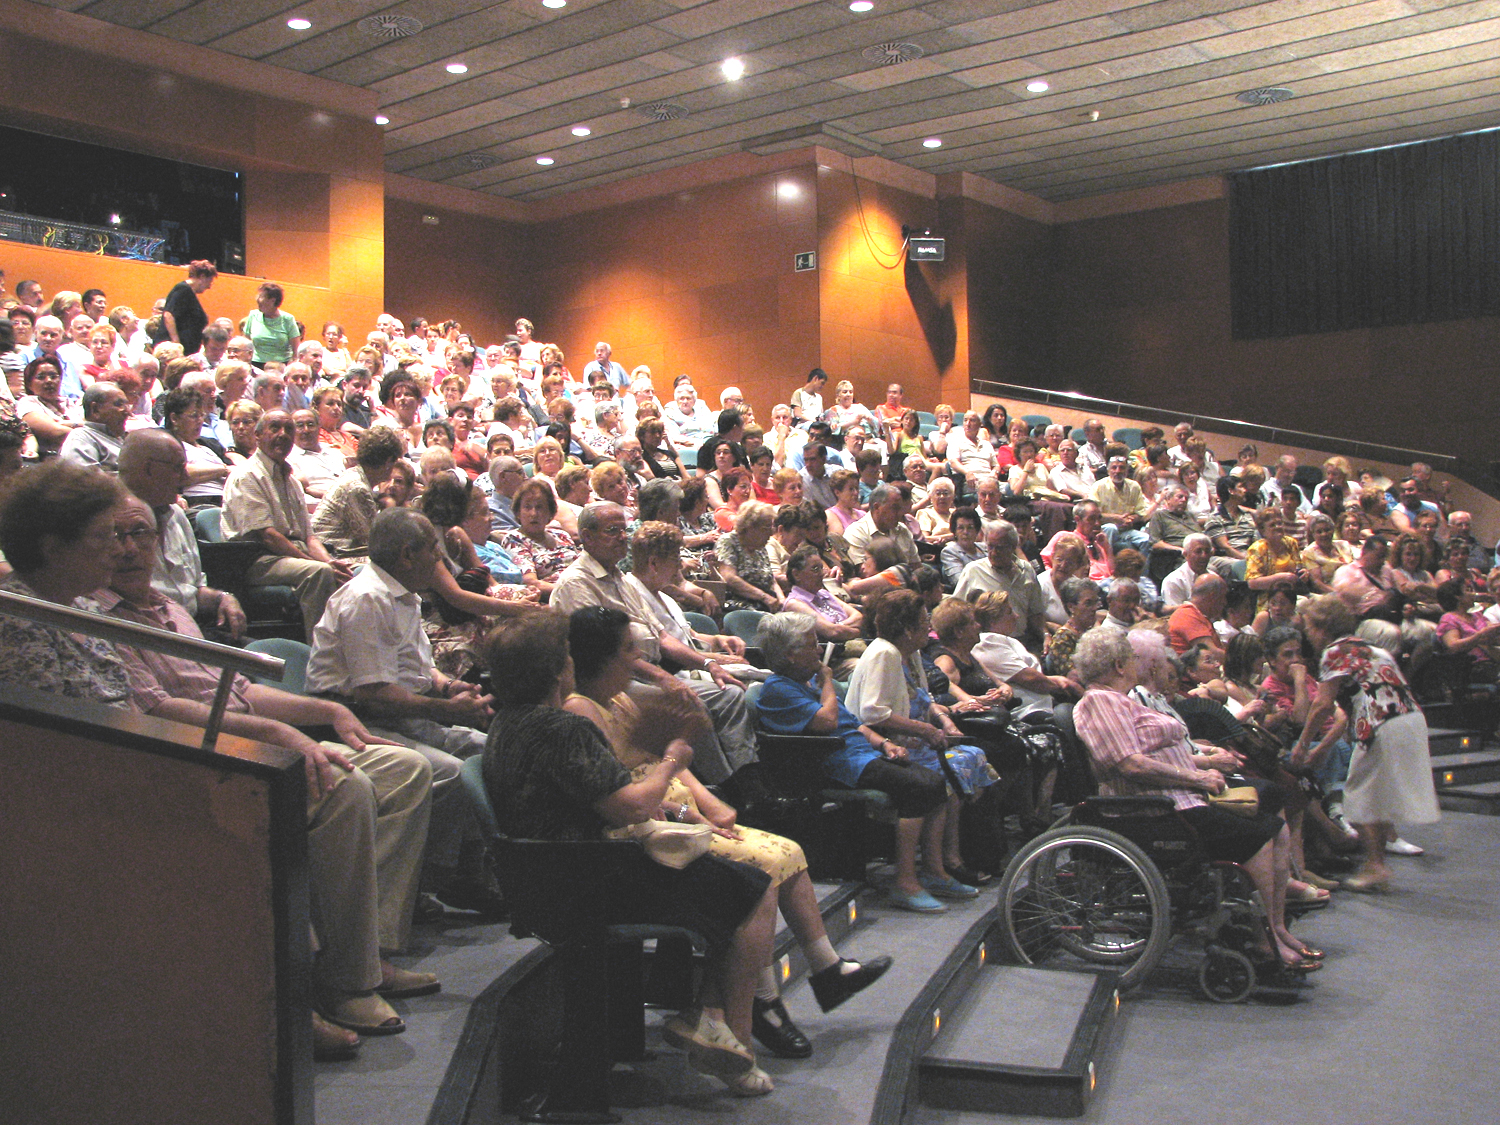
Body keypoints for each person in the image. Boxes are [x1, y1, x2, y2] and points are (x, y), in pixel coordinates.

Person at [0, 467, 435, 1054]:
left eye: (135, 536)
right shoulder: (28, 625)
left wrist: (301, 723)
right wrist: (276, 739)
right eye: (105, 537)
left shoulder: (74, 611)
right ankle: (299, 996)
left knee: (360, 772)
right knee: (332, 785)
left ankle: (340, 974)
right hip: (121, 794)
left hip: (149, 765)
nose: (121, 552)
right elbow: (81, 746)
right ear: (54, 548)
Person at [564, 607, 891, 1062]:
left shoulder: (621, 698)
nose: (638, 658)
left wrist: (707, 800)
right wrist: (686, 807)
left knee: (788, 849)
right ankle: (765, 1003)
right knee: (763, 866)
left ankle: (824, 967)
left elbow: (666, 756)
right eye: (629, 649)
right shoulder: (582, 710)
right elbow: (631, 792)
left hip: (677, 804)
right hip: (648, 828)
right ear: (602, 656)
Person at [480, 610, 777, 1096]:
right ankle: (722, 1029)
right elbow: (629, 807)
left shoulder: (507, 724)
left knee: (729, 879)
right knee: (754, 890)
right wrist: (675, 757)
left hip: (545, 877)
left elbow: (603, 798)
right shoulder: (562, 729)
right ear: (560, 670)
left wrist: (674, 808)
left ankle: (710, 1017)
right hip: (586, 880)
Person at [1070, 628, 1321, 970]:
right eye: (1130, 658)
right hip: (1152, 812)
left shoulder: (1121, 700)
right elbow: (1130, 763)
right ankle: (1264, 940)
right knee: (1259, 835)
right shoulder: (1100, 701)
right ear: (1118, 665)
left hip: (1177, 800)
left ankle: (1275, 927)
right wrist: (1197, 775)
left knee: (1274, 827)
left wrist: (1199, 767)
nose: (1135, 664)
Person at [304, 508, 501, 915]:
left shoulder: (403, 594)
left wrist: (447, 686)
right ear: (408, 554)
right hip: (356, 722)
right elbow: (374, 693)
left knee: (491, 752)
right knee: (448, 772)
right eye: (434, 549)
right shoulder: (367, 599)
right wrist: (448, 709)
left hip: (401, 713)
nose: (442, 558)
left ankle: (466, 871)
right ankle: (422, 883)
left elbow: (414, 666)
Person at [551, 503, 761, 788]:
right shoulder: (576, 583)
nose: (622, 537)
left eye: (624, 529)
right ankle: (724, 787)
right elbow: (605, 654)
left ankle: (748, 777)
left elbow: (662, 636)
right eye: (612, 531)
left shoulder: (622, 580)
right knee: (689, 704)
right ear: (587, 537)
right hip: (611, 683)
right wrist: (664, 678)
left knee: (730, 694)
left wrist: (709, 664)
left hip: (650, 671)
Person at [757, 611, 956, 903]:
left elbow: (856, 724)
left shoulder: (808, 684)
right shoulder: (777, 689)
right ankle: (905, 881)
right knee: (919, 786)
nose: (819, 650)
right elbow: (827, 722)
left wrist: (884, 744)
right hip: (833, 763)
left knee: (936, 781)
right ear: (790, 655)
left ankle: (935, 872)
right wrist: (827, 679)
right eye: (812, 644)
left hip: (860, 755)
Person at [844, 589, 1000, 902]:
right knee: (950, 771)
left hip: (916, 740)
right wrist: (924, 729)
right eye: (923, 621)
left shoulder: (911, 654)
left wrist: (945, 724)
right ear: (907, 629)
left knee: (974, 755)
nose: (929, 628)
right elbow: (871, 712)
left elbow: (924, 699)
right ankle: (943, 864)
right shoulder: (884, 653)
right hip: (880, 744)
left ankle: (946, 861)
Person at [1293, 595, 1440, 893]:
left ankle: (1375, 866)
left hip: (1380, 723)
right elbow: (1352, 705)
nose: (1306, 631)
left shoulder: (1334, 652)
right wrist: (1321, 748)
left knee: (1358, 795)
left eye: (1308, 624)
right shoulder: (1370, 648)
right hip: (1408, 719)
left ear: (1321, 625)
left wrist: (1302, 746)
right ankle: (1378, 860)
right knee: (1374, 792)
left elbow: (1323, 705)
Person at [222, 409, 353, 639]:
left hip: (291, 553)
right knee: (319, 573)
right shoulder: (247, 476)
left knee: (348, 572)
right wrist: (317, 563)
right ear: (258, 435)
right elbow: (268, 536)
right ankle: (321, 654)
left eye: (288, 429)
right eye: (275, 428)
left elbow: (309, 537)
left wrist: (332, 562)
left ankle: (351, 646)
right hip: (258, 559)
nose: (283, 434)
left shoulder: (291, 480)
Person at [311, 427, 406, 561]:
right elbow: (374, 541)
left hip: (343, 550)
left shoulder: (356, 476)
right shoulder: (357, 488)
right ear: (388, 462)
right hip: (332, 554)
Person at [954, 522, 1046, 649]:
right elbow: (957, 611)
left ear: (1013, 546)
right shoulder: (973, 571)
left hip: (1023, 641)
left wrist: (1046, 636)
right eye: (990, 547)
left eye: (1000, 548)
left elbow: (1036, 612)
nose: (994, 553)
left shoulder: (1026, 570)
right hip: (988, 645)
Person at [782, 544, 863, 641]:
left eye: (821, 568)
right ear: (796, 574)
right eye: (815, 569)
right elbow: (832, 632)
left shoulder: (824, 593)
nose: (821, 574)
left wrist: (840, 627)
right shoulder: (794, 603)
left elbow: (859, 617)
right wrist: (855, 631)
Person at [716, 501, 785, 613]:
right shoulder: (729, 541)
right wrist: (764, 597)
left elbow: (771, 579)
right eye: (766, 527)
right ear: (750, 527)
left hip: (768, 603)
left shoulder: (760, 547)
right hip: (741, 605)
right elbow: (729, 578)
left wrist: (781, 599)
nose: (771, 533)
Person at [58, 380, 129, 471]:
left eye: (127, 405)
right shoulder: (81, 438)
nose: (128, 412)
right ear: (95, 409)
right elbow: (85, 480)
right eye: (119, 404)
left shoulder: (122, 437)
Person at [158, 260, 216, 355]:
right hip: (176, 351)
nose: (209, 286)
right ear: (202, 277)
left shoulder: (189, 293)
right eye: (210, 281)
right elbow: (168, 315)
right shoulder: (183, 289)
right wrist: (176, 344)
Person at [244, 283, 300, 365]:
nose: (257, 299)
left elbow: (296, 350)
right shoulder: (253, 315)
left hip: (281, 365)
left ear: (272, 300)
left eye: (261, 296)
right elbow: (245, 343)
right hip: (255, 363)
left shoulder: (288, 319)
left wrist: (292, 363)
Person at [940, 506, 986, 591]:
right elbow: (960, 582)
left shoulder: (986, 548)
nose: (965, 532)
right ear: (954, 531)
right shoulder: (949, 552)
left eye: (970, 527)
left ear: (977, 530)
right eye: (961, 528)